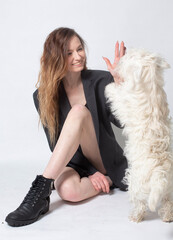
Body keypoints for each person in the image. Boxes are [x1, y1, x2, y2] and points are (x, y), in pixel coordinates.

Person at [5, 27, 127, 227]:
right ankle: (109, 180)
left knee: (78, 111)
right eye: (69, 53)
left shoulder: (101, 80)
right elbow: (55, 144)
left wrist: (121, 87)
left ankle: (39, 191)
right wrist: (89, 172)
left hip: (103, 156)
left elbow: (122, 123)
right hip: (77, 163)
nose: (78, 56)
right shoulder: (42, 96)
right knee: (67, 190)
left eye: (80, 49)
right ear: (56, 58)